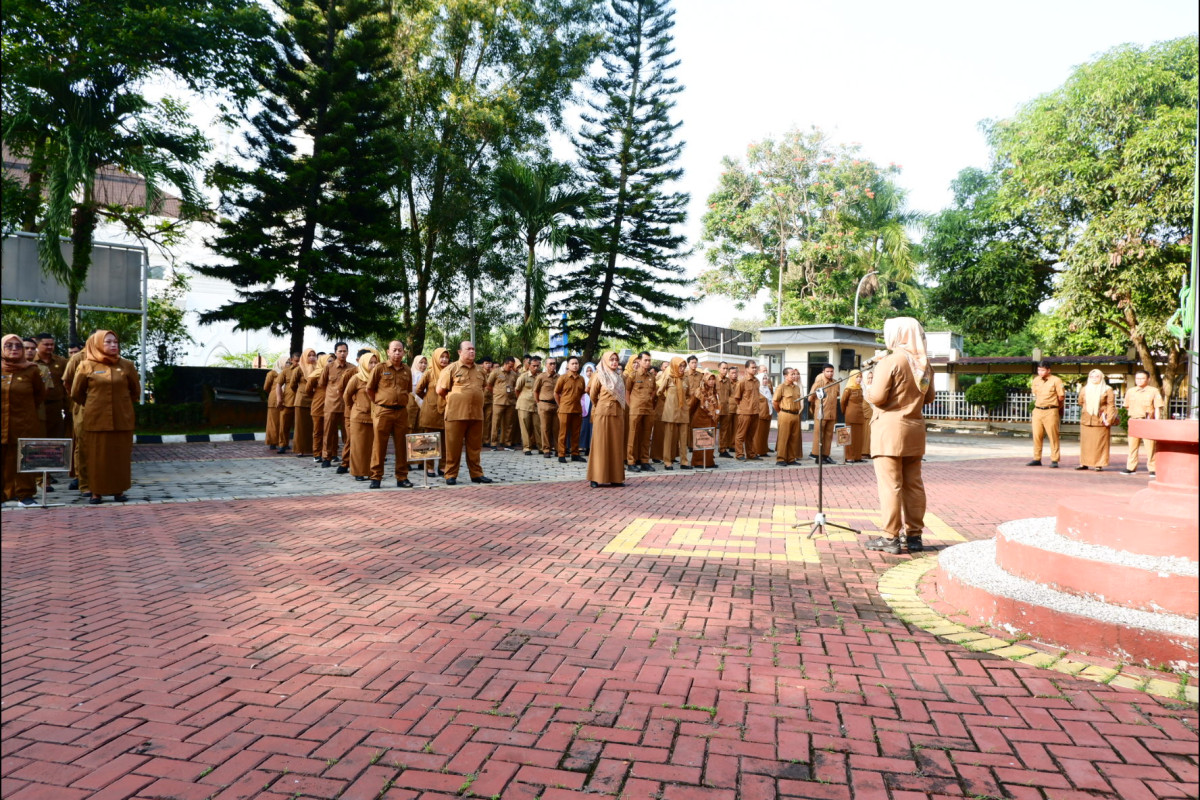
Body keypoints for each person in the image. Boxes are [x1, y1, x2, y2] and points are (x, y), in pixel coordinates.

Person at [863, 317, 937, 554]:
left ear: (897, 334)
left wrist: (867, 385)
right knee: (913, 485)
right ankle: (914, 536)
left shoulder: (891, 360)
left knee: (890, 486)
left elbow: (877, 398)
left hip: (889, 431)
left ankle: (890, 537)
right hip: (914, 430)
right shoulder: (924, 363)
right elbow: (929, 397)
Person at [70, 329, 141, 505]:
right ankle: (96, 492)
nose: (113, 345)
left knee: (119, 456)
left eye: (115, 342)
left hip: (122, 418)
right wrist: (94, 404)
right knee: (96, 457)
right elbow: (76, 393)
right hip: (96, 418)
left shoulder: (127, 365)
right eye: (108, 342)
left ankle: (119, 490)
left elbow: (135, 391)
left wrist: (121, 404)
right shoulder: (86, 365)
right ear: (97, 344)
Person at [436, 341, 491, 485]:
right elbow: (440, 390)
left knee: (475, 448)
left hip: (476, 415)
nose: (472, 351)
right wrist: (455, 400)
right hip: (456, 414)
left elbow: (483, 388)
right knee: (453, 447)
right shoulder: (451, 369)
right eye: (468, 349)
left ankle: (476, 474)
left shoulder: (480, 370)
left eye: (473, 349)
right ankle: (450, 474)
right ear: (460, 352)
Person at [2, 333, 46, 506]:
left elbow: (39, 395)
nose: (14, 349)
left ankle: (25, 495)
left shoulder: (32, 370)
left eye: (18, 346)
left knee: (24, 457)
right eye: (9, 346)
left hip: (24, 422)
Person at [366, 341, 414, 488]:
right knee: (379, 445)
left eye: (400, 350)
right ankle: (376, 477)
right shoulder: (380, 368)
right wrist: (379, 403)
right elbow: (370, 389)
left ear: (404, 352)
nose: (397, 353)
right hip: (383, 412)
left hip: (401, 412)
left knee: (402, 445)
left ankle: (402, 477)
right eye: (394, 350)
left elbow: (408, 390)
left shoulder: (407, 370)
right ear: (388, 352)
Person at [587, 351, 627, 487]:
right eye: (611, 359)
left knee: (616, 446)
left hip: (618, 415)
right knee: (600, 445)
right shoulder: (599, 375)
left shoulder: (619, 377)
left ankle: (616, 478)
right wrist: (601, 405)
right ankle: (596, 477)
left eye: (616, 359)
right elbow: (593, 395)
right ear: (605, 361)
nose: (614, 362)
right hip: (603, 414)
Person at [342, 348, 380, 480]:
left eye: (375, 362)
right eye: (371, 363)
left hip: (375, 417)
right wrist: (355, 406)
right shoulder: (356, 378)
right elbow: (346, 395)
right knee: (358, 447)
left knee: (372, 446)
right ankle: (358, 472)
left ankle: (370, 471)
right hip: (359, 417)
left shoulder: (379, 378)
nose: (374, 365)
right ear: (363, 363)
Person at [318, 342, 355, 468]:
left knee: (348, 435)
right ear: (335, 352)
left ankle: (348, 459)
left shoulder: (352, 368)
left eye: (345, 351)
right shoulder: (329, 367)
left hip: (347, 406)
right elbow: (322, 384)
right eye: (340, 351)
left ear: (348, 352)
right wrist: (331, 395)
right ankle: (326, 457)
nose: (342, 354)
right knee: (328, 433)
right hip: (331, 405)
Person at [1121, 370, 1164, 475]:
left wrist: (1157, 422)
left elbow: (1157, 407)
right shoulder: (1131, 391)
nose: (1139, 380)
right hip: (1135, 421)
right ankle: (1131, 468)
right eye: (1137, 378)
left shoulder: (1153, 391)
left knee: (1150, 446)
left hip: (1147, 421)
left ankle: (1152, 469)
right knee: (1132, 446)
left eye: (1142, 378)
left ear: (1148, 379)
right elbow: (1127, 406)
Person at [415, 347, 450, 476]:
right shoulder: (429, 373)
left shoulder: (451, 372)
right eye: (441, 357)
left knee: (445, 440)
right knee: (429, 439)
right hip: (431, 411)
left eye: (446, 357)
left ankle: (443, 466)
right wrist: (428, 399)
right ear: (435, 358)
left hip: (446, 409)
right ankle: (429, 466)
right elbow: (418, 390)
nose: (444, 360)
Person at [1027, 360, 1064, 468]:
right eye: (1039, 370)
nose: (1040, 372)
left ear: (1049, 370)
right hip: (1038, 410)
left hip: (1051, 410)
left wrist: (1056, 408)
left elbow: (1061, 397)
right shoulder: (1036, 380)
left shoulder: (1056, 380)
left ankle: (1054, 459)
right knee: (1037, 435)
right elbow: (1036, 393)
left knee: (1053, 436)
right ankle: (1037, 458)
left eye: (1043, 370)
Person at [1077, 369, 1115, 472]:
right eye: (1092, 376)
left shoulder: (1107, 389)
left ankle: (1098, 464)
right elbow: (1080, 401)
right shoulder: (1085, 389)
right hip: (1087, 419)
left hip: (1100, 420)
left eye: (1097, 376)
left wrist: (1109, 419)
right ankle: (1084, 463)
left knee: (1099, 444)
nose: (1094, 378)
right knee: (1086, 444)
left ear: (1101, 377)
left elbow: (1111, 405)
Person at [656, 357, 690, 470]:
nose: (682, 368)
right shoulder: (669, 377)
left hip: (683, 411)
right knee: (668, 438)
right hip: (670, 411)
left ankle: (684, 462)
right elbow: (659, 392)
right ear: (674, 366)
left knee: (683, 438)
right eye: (680, 366)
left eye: (684, 366)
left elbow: (688, 394)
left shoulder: (686, 378)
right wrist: (668, 402)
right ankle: (667, 461)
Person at [624, 352, 656, 471]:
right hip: (636, 409)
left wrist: (649, 400)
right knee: (632, 435)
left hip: (648, 409)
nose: (647, 362)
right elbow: (627, 391)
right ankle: (631, 462)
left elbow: (654, 390)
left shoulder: (651, 376)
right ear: (639, 361)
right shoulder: (633, 375)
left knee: (646, 436)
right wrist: (631, 405)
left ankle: (644, 461)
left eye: (649, 360)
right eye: (645, 360)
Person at [33, 333, 68, 439]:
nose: (50, 347)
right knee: (38, 433)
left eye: (52, 344)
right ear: (37, 345)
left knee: (56, 435)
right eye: (46, 344)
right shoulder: (31, 361)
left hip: (56, 405)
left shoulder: (61, 361)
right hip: (37, 405)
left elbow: (67, 382)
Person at [555, 356, 587, 462]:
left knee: (576, 433)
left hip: (577, 410)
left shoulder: (581, 379)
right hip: (564, 409)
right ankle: (561, 454)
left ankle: (575, 454)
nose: (575, 365)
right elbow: (556, 393)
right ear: (568, 365)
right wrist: (561, 405)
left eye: (576, 363)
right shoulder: (563, 378)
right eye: (572, 363)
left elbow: (582, 393)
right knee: (563, 433)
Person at [808, 363, 839, 465]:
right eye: (827, 371)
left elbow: (837, 395)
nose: (830, 373)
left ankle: (826, 456)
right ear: (823, 372)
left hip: (832, 413)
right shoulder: (819, 383)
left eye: (831, 371)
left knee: (829, 436)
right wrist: (818, 405)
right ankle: (818, 456)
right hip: (821, 413)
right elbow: (810, 398)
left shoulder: (835, 383)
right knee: (819, 435)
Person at [773, 368, 804, 465]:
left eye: (795, 374)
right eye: (792, 374)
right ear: (786, 376)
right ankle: (781, 459)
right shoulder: (781, 387)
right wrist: (780, 412)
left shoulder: (797, 387)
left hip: (795, 414)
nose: (794, 376)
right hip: (785, 414)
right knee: (783, 437)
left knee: (794, 438)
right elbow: (775, 402)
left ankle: (791, 459)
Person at [690, 371, 721, 468]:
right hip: (700, 420)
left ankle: (709, 462)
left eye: (713, 379)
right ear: (705, 380)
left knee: (710, 444)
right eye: (709, 379)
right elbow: (692, 406)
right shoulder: (699, 391)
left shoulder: (714, 392)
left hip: (711, 420)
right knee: (700, 442)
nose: (711, 381)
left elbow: (717, 405)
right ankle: (698, 462)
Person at [290, 348, 317, 456]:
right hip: (301, 401)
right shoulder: (299, 369)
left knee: (313, 426)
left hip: (315, 400)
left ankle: (313, 449)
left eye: (313, 355)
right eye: (309, 355)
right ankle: (300, 449)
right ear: (304, 357)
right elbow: (292, 385)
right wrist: (300, 392)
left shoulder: (319, 368)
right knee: (300, 427)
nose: (312, 357)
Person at [305, 353, 331, 463]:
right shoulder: (315, 374)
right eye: (329, 361)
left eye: (332, 361)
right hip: (318, 406)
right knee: (317, 432)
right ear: (323, 362)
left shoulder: (335, 373)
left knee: (330, 432)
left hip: (331, 405)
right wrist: (316, 396)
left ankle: (329, 453)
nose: (331, 363)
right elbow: (308, 390)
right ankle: (317, 454)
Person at [731, 360, 760, 460]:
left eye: (755, 367)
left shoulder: (757, 381)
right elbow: (737, 398)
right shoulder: (742, 382)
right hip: (745, 412)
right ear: (746, 369)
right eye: (752, 367)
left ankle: (751, 454)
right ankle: (739, 454)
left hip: (755, 412)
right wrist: (744, 407)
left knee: (751, 435)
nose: (754, 369)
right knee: (741, 434)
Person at [488, 356, 517, 450]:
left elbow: (515, 386)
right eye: (510, 366)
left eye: (512, 366)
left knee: (509, 424)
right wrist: (496, 393)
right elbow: (489, 385)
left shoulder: (514, 374)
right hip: (498, 402)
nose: (511, 368)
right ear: (505, 364)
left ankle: (507, 443)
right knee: (495, 423)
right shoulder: (496, 372)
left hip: (510, 402)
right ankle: (493, 443)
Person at [514, 356, 541, 455]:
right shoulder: (523, 376)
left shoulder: (541, 376)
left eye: (537, 366)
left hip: (536, 405)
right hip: (524, 405)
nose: (536, 368)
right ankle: (527, 448)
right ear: (529, 366)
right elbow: (517, 390)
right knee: (525, 427)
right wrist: (522, 399)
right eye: (533, 366)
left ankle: (541, 447)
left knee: (538, 426)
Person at [534, 358, 559, 458]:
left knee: (557, 428)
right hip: (544, 405)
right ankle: (546, 449)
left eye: (554, 364)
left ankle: (558, 449)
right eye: (550, 364)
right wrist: (538, 403)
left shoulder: (559, 377)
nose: (553, 366)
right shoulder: (541, 377)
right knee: (545, 428)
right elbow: (535, 391)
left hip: (556, 405)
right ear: (546, 365)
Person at [276, 351, 300, 454]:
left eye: (300, 361)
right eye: (296, 361)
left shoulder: (305, 370)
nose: (298, 363)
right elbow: (278, 384)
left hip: (300, 403)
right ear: (291, 360)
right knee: (284, 426)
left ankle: (299, 446)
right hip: (287, 402)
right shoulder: (286, 371)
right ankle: (283, 445)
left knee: (300, 427)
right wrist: (279, 398)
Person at [841, 369, 866, 463]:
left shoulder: (860, 388)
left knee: (859, 437)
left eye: (860, 377)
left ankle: (857, 457)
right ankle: (849, 457)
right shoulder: (848, 389)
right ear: (852, 378)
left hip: (860, 415)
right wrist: (846, 413)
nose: (859, 379)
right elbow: (842, 402)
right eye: (857, 377)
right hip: (850, 416)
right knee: (849, 436)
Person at [264, 356, 284, 452]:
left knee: (283, 422)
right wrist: (273, 393)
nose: (288, 364)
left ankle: (282, 442)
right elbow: (266, 387)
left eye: (289, 362)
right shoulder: (272, 373)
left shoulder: (288, 373)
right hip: (274, 400)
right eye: (286, 362)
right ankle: (272, 442)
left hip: (286, 399)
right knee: (273, 422)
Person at [717, 364, 736, 457]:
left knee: (724, 430)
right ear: (719, 369)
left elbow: (731, 393)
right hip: (715, 409)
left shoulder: (728, 381)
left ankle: (722, 450)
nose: (725, 370)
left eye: (726, 368)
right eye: (723, 368)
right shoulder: (714, 379)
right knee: (712, 430)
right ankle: (709, 451)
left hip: (725, 409)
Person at [754, 372, 773, 458]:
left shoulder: (767, 389)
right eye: (763, 379)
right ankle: (756, 451)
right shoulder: (757, 390)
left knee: (765, 434)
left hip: (768, 414)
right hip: (760, 415)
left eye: (766, 379)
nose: (765, 380)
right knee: (758, 434)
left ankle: (763, 451)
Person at [580, 362, 596, 456]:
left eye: (591, 370)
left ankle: (591, 447)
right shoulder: (582, 380)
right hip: (584, 405)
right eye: (587, 371)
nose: (589, 373)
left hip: (593, 404)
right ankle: (584, 446)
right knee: (585, 426)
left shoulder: (596, 380)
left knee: (592, 426)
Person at [480, 356, 495, 446]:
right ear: (482, 364)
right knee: (479, 421)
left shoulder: (493, 374)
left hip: (490, 400)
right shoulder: (479, 373)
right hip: (480, 400)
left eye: (489, 363)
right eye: (486, 363)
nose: (488, 365)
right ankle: (479, 440)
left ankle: (486, 440)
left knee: (488, 421)